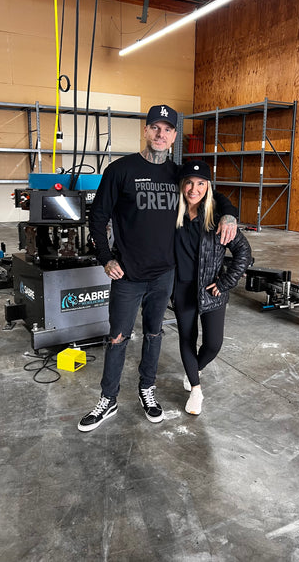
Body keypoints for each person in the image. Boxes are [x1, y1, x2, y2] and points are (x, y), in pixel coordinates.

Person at [78, 104, 238, 432]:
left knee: (154, 334)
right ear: (146, 130)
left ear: (174, 136)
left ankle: (146, 390)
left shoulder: (177, 174)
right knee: (118, 337)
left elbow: (211, 195)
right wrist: (106, 258)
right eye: (155, 127)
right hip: (128, 273)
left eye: (167, 129)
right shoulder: (120, 170)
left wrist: (230, 213)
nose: (160, 134)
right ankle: (108, 399)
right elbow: (97, 217)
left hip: (165, 274)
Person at [174, 160, 252, 415]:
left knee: (214, 344)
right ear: (182, 185)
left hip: (211, 289)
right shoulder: (171, 215)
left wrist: (226, 282)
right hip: (181, 288)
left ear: (208, 187)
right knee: (187, 338)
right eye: (188, 182)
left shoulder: (218, 220)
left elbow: (243, 251)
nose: (193, 189)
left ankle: (195, 369)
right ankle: (196, 389)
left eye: (200, 184)